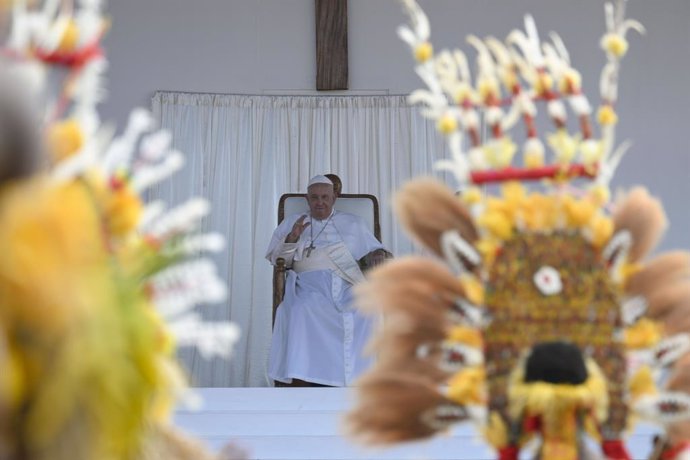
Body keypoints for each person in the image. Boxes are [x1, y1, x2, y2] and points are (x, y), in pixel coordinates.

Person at [266, 175, 388, 386]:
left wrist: (378, 253)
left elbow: (374, 250)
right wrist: (293, 238)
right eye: (314, 198)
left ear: (334, 197)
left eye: (325, 197)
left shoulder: (354, 223)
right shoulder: (292, 222)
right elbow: (278, 261)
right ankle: (303, 377)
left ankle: (364, 376)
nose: (319, 202)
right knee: (301, 309)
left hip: (347, 282)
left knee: (368, 309)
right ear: (307, 199)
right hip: (308, 283)